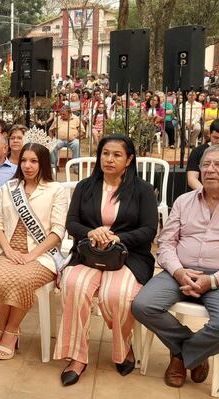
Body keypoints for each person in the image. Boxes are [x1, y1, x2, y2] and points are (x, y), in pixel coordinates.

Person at [132, 145, 219, 388]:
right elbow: (166, 243)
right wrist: (178, 271)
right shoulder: (184, 201)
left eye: (218, 165)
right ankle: (194, 353)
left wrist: (212, 281)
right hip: (180, 271)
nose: (210, 170)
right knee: (142, 305)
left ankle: (182, 356)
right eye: (206, 165)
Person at [54, 134, 158, 386]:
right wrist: (91, 232)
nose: (109, 159)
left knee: (117, 295)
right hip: (88, 254)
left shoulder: (142, 190)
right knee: (74, 286)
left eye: (117, 155)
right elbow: (72, 223)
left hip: (129, 256)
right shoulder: (85, 187)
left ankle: (124, 348)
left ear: (129, 159)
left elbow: (148, 230)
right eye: (105, 153)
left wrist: (115, 237)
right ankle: (77, 357)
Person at [0, 142, 67, 359]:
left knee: (21, 279)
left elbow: (58, 231)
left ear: (44, 163)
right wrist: (8, 250)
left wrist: (32, 255)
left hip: (42, 254)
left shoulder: (56, 190)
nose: (27, 166)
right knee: (2, 278)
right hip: (5, 249)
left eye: (34, 161)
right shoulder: (8, 187)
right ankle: (1, 327)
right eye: (24, 160)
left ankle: (10, 331)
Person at [48, 106, 81, 171]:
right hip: (60, 140)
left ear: (69, 113)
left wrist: (75, 136)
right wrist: (50, 140)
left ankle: (76, 167)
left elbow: (82, 132)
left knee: (77, 144)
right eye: (61, 114)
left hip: (73, 140)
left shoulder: (76, 119)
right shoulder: (58, 119)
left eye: (63, 114)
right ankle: (54, 166)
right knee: (52, 146)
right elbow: (50, 130)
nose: (61, 116)